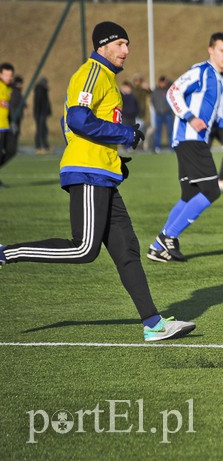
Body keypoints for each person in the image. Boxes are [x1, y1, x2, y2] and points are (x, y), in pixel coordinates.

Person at [0, 21, 195, 342]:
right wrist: (125, 133)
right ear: (102, 46)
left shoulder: (108, 79)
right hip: (88, 174)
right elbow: (77, 120)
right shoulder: (91, 72)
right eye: (120, 44)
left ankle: (154, 324)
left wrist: (117, 159)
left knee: (127, 250)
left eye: (128, 45)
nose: (126, 51)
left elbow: (89, 126)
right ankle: (5, 253)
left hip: (104, 175)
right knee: (83, 248)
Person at [146, 32, 223, 263]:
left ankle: (157, 248)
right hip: (190, 139)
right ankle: (168, 235)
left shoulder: (218, 80)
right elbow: (173, 92)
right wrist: (189, 117)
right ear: (210, 50)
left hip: (193, 139)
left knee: (190, 194)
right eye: (222, 51)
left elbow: (211, 114)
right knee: (211, 190)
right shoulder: (201, 71)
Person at [0, 62, 18, 187]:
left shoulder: (9, 88)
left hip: (6, 126)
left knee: (12, 150)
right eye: (6, 75)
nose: (9, 78)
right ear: (0, 74)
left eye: (11, 75)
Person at [150, 75, 174, 152]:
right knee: (158, 131)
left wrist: (168, 81)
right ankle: (157, 147)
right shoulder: (156, 91)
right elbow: (152, 101)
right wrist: (157, 109)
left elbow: (174, 84)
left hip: (168, 113)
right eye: (163, 82)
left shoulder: (169, 89)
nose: (164, 84)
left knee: (170, 130)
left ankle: (171, 146)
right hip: (159, 114)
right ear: (160, 82)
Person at [34, 77, 52, 154]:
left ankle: (44, 146)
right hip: (40, 113)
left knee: (43, 130)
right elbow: (40, 103)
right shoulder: (40, 90)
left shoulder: (42, 90)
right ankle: (40, 147)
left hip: (41, 113)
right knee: (41, 130)